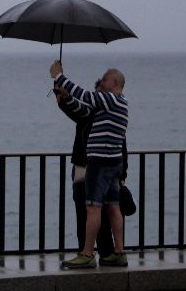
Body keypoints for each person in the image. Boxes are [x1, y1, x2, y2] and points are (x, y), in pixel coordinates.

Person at [49, 59, 128, 269]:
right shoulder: (118, 104)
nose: (101, 82)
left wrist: (59, 76)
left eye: (105, 79)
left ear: (115, 83)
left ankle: (87, 254)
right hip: (113, 164)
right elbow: (84, 111)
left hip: (99, 163)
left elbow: (85, 96)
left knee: (92, 208)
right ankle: (118, 252)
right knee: (112, 207)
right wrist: (65, 98)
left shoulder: (111, 100)